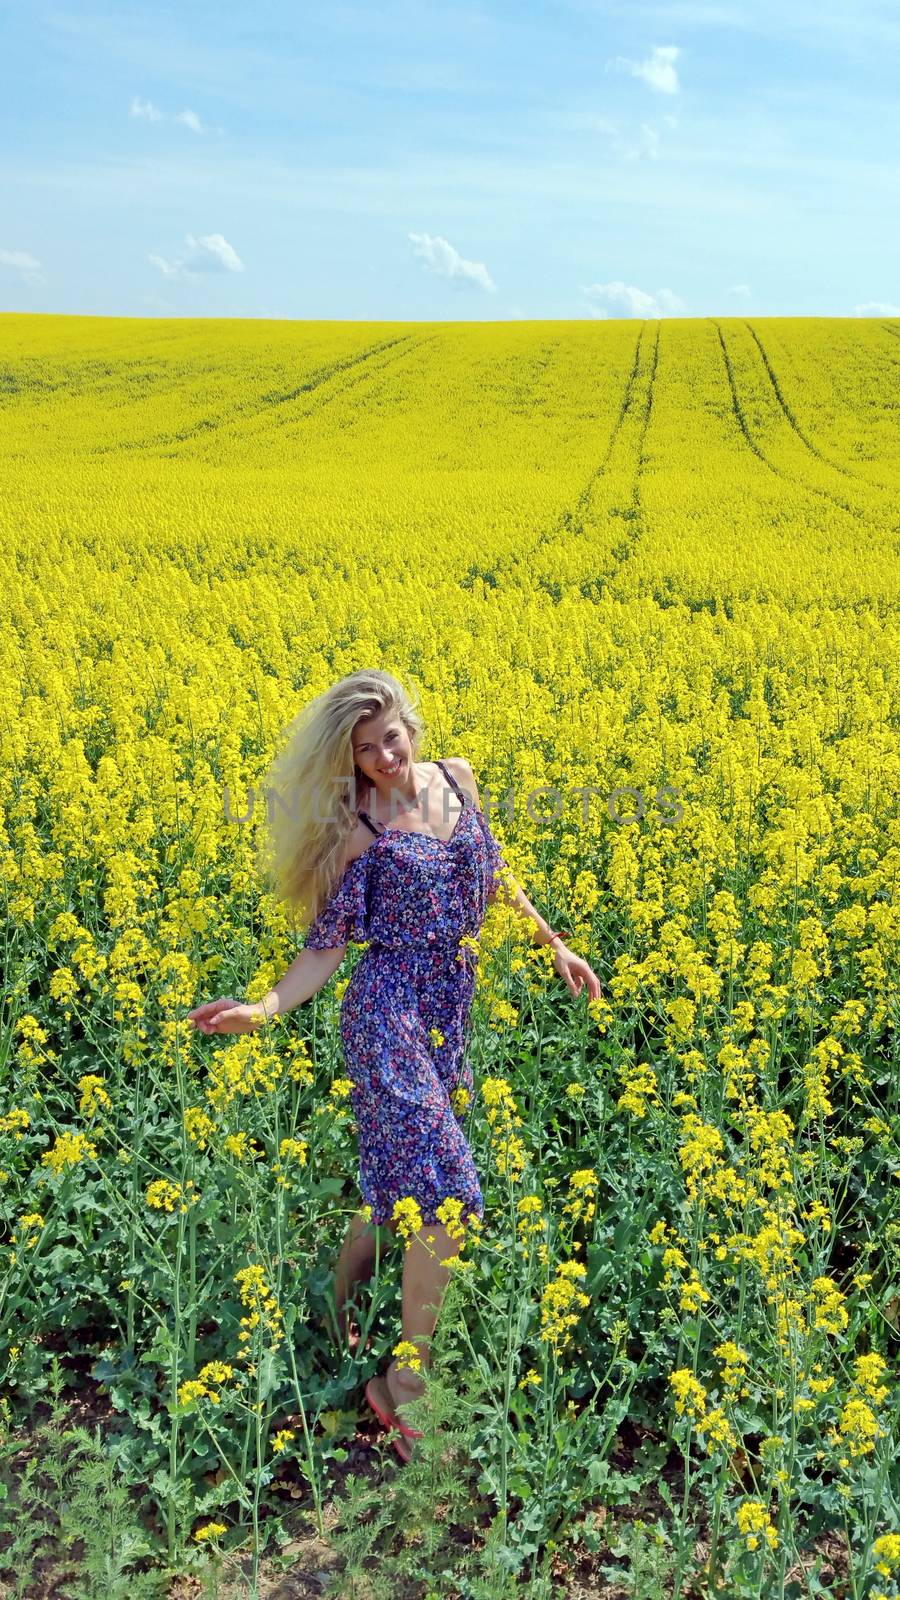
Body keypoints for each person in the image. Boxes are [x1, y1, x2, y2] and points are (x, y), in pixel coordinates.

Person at [187, 669, 602, 1463]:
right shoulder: (358, 831)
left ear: (412, 726)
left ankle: (329, 1294)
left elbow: (497, 874)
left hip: (449, 1013)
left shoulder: (460, 779)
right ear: (347, 760)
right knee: (446, 1193)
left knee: (400, 1186)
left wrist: (554, 943)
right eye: (364, 748)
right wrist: (263, 1009)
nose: (384, 756)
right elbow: (328, 947)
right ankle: (405, 1385)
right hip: (386, 1016)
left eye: (391, 736)